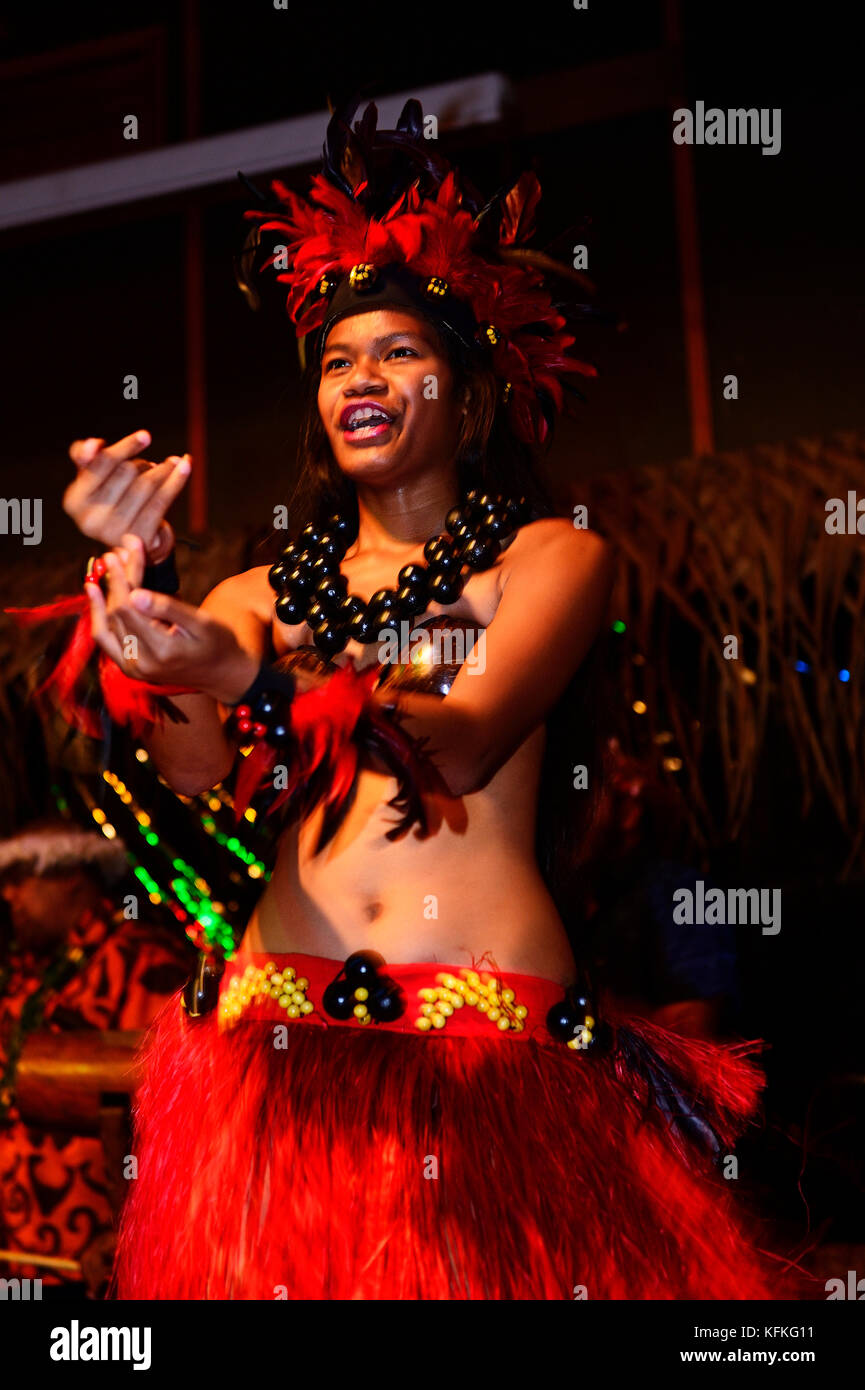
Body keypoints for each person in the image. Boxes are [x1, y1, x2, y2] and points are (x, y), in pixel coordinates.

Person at [52, 100, 799, 1300]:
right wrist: (149, 598)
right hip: (274, 1042)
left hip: (484, 1051)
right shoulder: (257, 590)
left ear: (472, 394)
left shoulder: (548, 557)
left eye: (400, 351)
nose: (362, 375)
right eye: (339, 358)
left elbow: (453, 745)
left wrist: (241, 672)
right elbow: (194, 763)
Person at [0, 821, 193, 1296]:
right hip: (21, 1257)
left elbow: (186, 1121)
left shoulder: (149, 962)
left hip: (101, 1265)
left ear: (73, 878)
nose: (8, 894)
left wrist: (130, 1231)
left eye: (22, 877)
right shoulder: (26, 975)